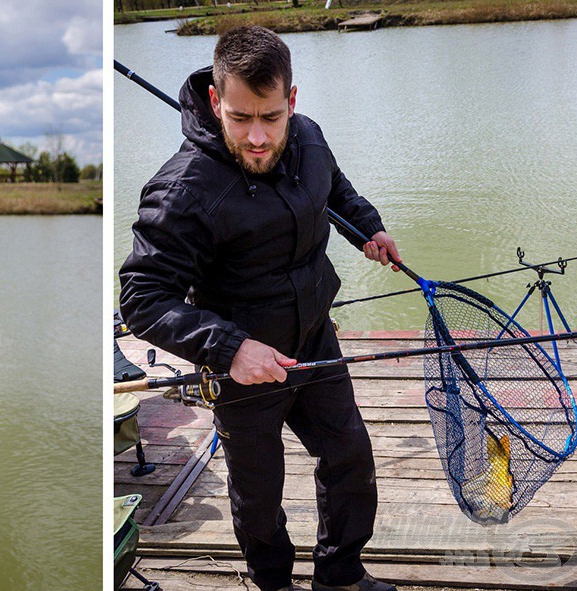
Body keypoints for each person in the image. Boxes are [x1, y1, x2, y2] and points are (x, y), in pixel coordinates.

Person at [119, 27, 401, 591]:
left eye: (270, 118)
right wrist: (230, 348)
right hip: (241, 364)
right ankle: (271, 582)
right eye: (240, 117)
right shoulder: (181, 192)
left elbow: (334, 189)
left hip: (315, 339)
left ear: (291, 102)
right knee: (258, 492)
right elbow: (142, 298)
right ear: (214, 100)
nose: (255, 137)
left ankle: (340, 573)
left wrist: (368, 224)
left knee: (350, 458)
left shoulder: (310, 137)